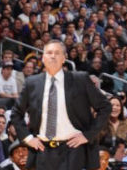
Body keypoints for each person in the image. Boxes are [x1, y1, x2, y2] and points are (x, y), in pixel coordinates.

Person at [10, 40, 110, 170]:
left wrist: (88, 135)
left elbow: (105, 107)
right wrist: (28, 138)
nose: (52, 56)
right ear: (43, 57)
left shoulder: (80, 79)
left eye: (57, 53)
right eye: (49, 53)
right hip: (42, 150)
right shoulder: (32, 83)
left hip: (73, 150)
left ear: (64, 58)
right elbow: (16, 113)